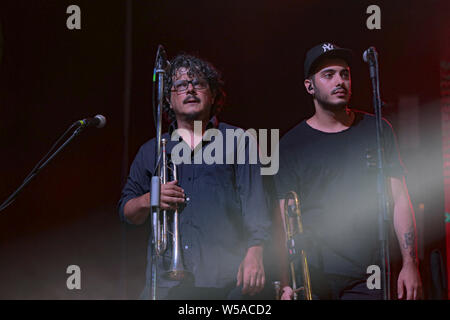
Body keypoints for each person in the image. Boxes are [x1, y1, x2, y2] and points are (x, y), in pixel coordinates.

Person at [274, 43, 422, 300]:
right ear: (310, 86)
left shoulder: (376, 130)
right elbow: (283, 221)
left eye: (345, 74)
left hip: (369, 274)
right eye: (328, 75)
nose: (340, 81)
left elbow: (400, 199)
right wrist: (286, 282)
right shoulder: (290, 145)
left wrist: (410, 264)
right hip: (316, 276)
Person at [118, 53, 272, 299]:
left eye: (199, 83)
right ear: (168, 98)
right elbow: (126, 212)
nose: (190, 89)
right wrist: (150, 198)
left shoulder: (239, 140)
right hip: (166, 284)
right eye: (180, 85)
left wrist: (256, 252)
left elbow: (256, 206)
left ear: (212, 95)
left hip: (226, 281)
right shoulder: (153, 149)